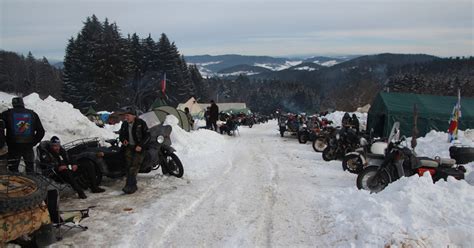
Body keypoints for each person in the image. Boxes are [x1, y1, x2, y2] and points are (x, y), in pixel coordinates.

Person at [41, 136, 105, 198]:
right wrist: (58, 168)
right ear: (51, 146)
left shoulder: (62, 151)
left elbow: (70, 158)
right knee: (66, 172)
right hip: (59, 173)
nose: (57, 148)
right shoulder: (47, 153)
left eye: (58, 145)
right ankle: (80, 192)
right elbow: (46, 165)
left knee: (88, 164)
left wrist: (75, 164)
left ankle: (94, 187)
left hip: (68, 168)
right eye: (54, 146)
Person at [1, 97, 45, 173]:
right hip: (28, 146)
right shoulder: (33, 114)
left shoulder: (7, 114)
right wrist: (33, 142)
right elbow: (41, 131)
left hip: (13, 146)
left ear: (13, 104)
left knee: (13, 170)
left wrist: (4, 140)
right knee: (30, 170)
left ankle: (14, 183)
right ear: (22, 103)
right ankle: (31, 183)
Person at [119, 108, 149, 194]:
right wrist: (123, 140)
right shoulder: (124, 124)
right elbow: (121, 135)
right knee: (128, 166)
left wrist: (140, 145)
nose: (126, 117)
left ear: (134, 116)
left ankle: (129, 186)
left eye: (128, 115)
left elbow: (147, 136)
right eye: (125, 115)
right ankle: (133, 184)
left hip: (139, 148)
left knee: (134, 166)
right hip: (129, 147)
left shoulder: (141, 123)